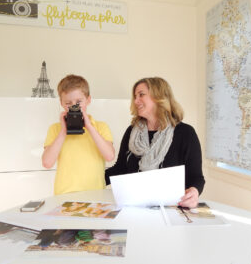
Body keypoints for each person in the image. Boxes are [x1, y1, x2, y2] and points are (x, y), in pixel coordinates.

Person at [105, 77, 205, 208]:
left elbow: (196, 177)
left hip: (171, 209)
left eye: (141, 95)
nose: (136, 101)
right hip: (134, 209)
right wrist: (89, 179)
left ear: (159, 97)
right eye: (135, 96)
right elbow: (120, 169)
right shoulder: (131, 132)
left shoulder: (185, 133)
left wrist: (194, 191)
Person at [42, 74, 115, 195]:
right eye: (68, 103)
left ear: (88, 100)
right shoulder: (55, 129)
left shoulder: (101, 127)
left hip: (96, 194)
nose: (74, 106)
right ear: (61, 103)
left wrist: (89, 127)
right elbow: (47, 163)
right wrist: (63, 130)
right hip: (64, 196)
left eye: (78, 102)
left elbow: (109, 156)